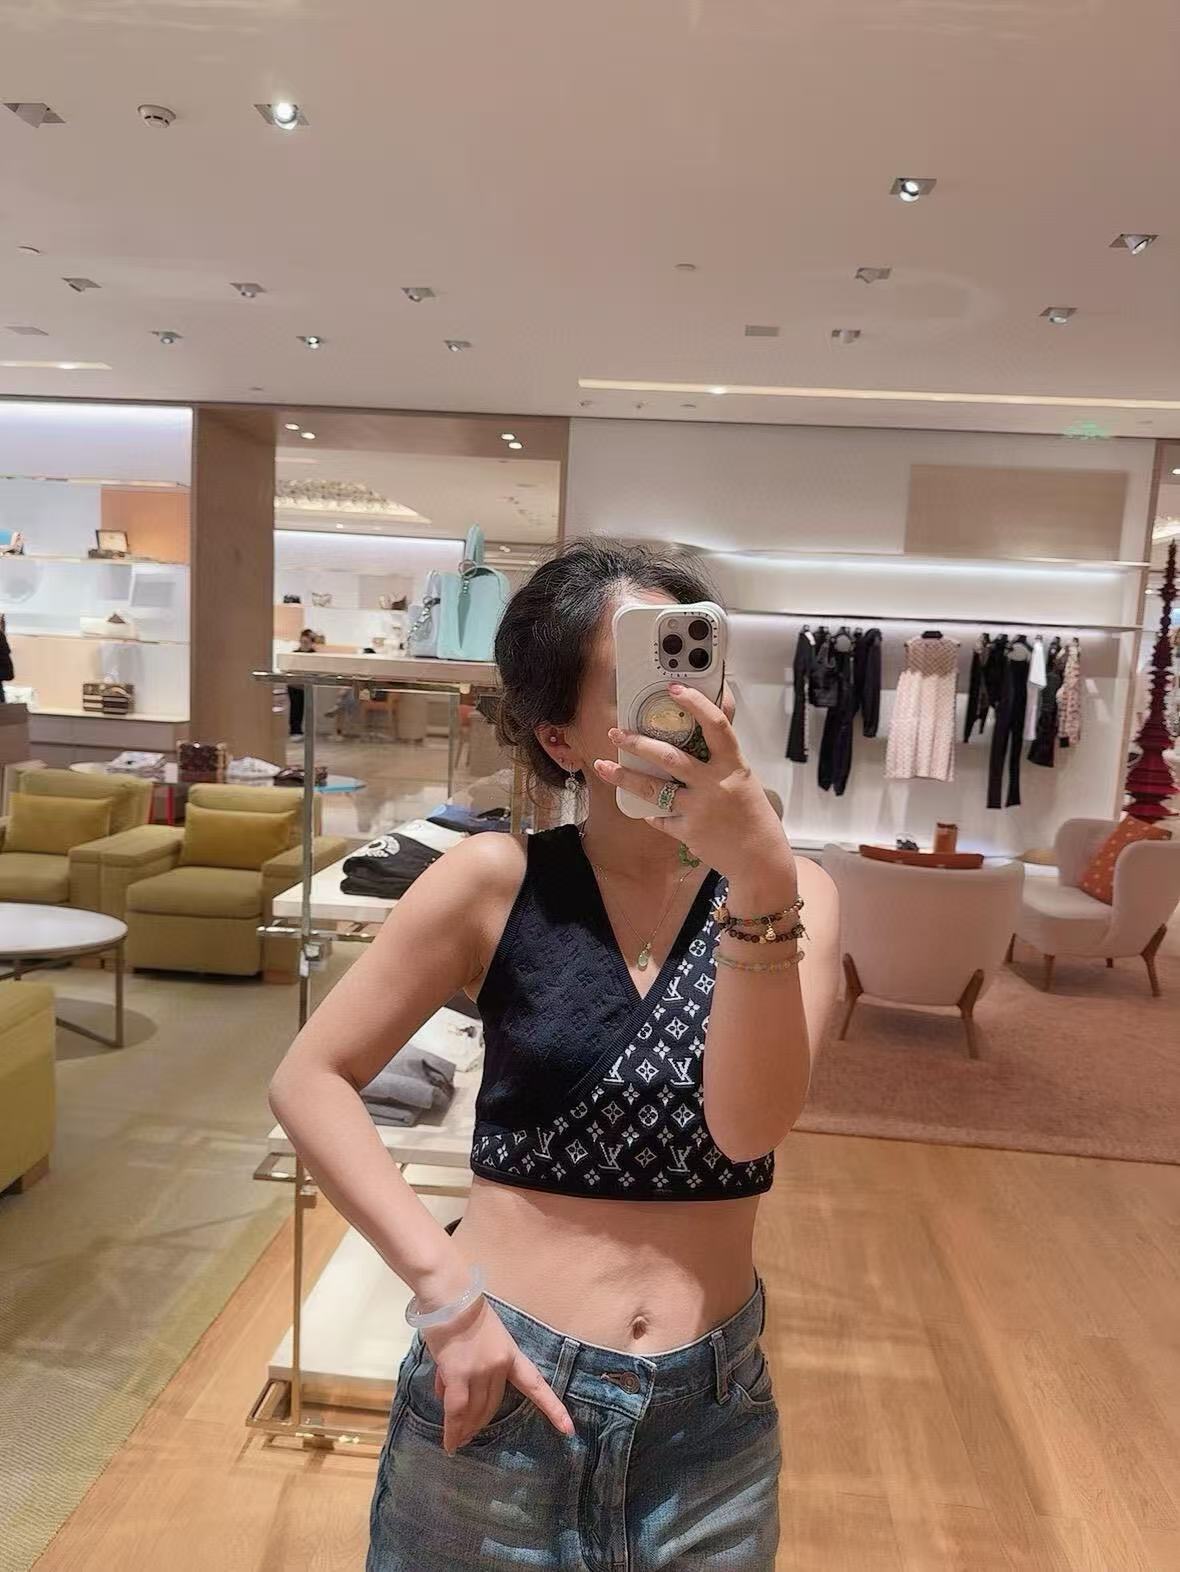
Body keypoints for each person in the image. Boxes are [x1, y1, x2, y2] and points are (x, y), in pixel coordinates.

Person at [267, 540, 840, 1571]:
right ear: (561, 737)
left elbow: (748, 1129)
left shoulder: (796, 896)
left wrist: (758, 883)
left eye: (695, 670)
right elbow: (309, 1078)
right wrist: (445, 1297)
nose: (682, 709)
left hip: (709, 1427)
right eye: (640, 681)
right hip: (504, 1391)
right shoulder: (495, 880)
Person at [288, 629, 317, 738]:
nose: (304, 644)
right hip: (294, 684)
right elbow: (290, 668)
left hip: (306, 685)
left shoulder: (313, 654)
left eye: (306, 642)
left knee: (305, 708)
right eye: (302, 642)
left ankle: (303, 730)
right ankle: (295, 731)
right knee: (295, 708)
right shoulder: (295, 653)